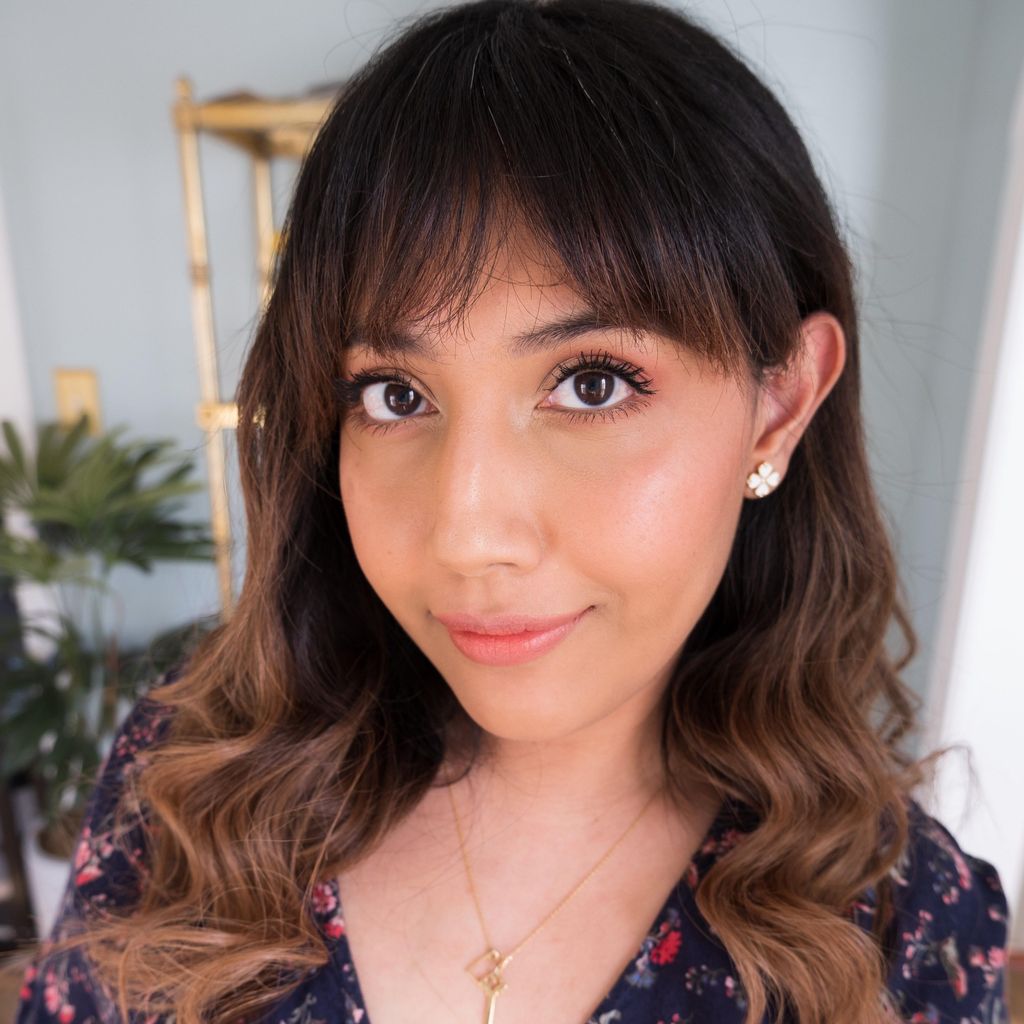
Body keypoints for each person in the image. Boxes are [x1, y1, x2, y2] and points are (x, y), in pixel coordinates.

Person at [13, 0, 1011, 1022]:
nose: (467, 532)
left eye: (591, 383)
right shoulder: (189, 792)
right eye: (394, 394)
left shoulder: (904, 934)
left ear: (780, 405)